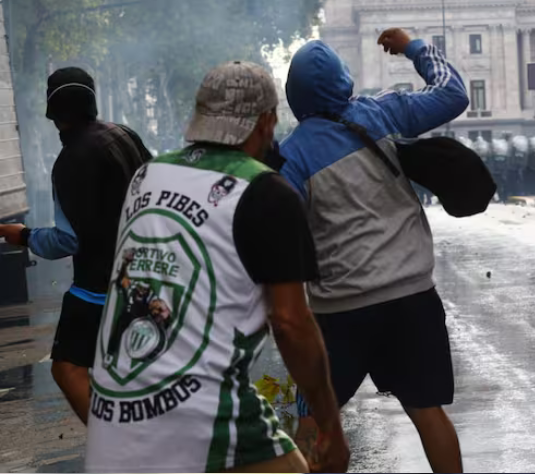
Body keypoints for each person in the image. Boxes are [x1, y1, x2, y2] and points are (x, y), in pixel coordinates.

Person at [84, 62, 348, 474]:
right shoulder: (266, 192)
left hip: (112, 417)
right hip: (199, 419)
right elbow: (291, 323)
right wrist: (329, 424)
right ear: (266, 122)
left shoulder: (146, 177)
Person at [280, 29, 469, 474]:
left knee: (312, 417)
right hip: (412, 298)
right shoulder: (385, 113)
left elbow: (283, 232)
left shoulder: (291, 156)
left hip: (340, 312)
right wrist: (413, 47)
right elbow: (452, 93)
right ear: (344, 81)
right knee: (426, 410)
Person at [0, 68, 151, 425]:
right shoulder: (124, 134)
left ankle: (114, 452)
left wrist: (23, 235)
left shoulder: (70, 162)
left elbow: (68, 240)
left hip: (100, 286)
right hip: (148, 271)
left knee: (67, 369)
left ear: (53, 112)